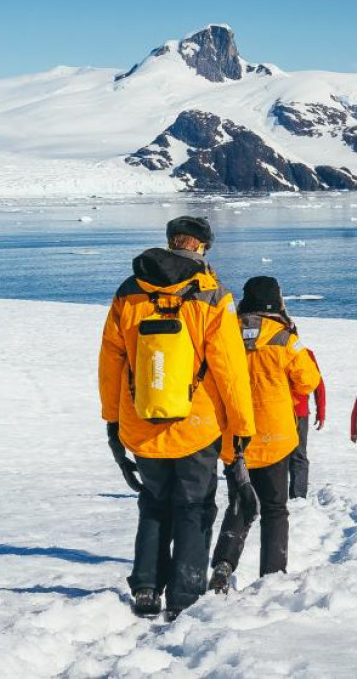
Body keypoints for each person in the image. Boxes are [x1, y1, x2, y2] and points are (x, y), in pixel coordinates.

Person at [98, 216, 255, 621]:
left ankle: (147, 587)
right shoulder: (212, 296)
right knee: (195, 507)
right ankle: (184, 596)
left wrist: (112, 421)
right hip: (196, 427)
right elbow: (230, 372)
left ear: (171, 243)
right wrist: (240, 428)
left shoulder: (129, 292)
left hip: (141, 419)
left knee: (153, 502)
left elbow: (111, 363)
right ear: (202, 247)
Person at [209, 277, 321, 593]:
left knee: (239, 505)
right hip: (275, 439)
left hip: (235, 439)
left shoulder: (225, 332)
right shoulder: (284, 338)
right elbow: (308, 381)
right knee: (274, 509)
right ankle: (271, 577)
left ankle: (223, 564)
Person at [289, 349, 326, 499]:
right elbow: (318, 383)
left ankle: (275, 497)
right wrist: (321, 411)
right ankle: (298, 498)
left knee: (275, 456)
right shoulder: (305, 353)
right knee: (298, 454)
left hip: (276, 411)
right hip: (299, 412)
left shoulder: (268, 348)